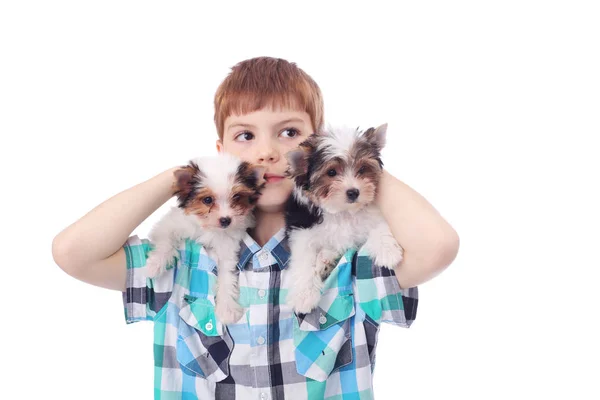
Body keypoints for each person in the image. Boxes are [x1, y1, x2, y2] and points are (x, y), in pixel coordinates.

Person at [52, 56, 460, 399]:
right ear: (221, 152)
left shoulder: (346, 259)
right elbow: (73, 253)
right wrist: (184, 177)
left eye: (289, 133)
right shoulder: (184, 258)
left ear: (313, 150)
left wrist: (358, 160)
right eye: (245, 135)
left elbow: (438, 246)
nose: (267, 153)